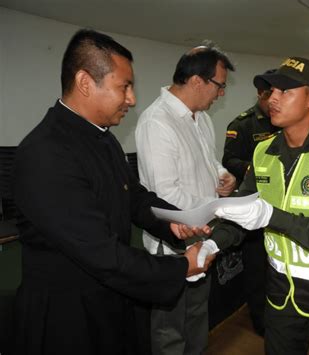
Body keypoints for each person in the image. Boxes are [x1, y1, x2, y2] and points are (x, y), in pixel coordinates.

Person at [12, 29, 214, 355]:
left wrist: (172, 222)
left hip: (109, 301)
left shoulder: (103, 138)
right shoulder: (46, 153)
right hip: (67, 320)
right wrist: (180, 268)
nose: (132, 99)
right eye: (125, 86)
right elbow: (101, 254)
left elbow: (132, 196)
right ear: (85, 83)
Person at [214, 57, 309, 354]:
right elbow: (242, 209)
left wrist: (269, 215)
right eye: (271, 90)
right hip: (280, 293)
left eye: (285, 91)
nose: (272, 97)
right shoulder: (263, 151)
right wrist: (211, 245)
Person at [135, 43, 236, 355]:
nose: (221, 94)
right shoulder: (157, 122)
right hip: (174, 246)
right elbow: (167, 195)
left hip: (202, 236)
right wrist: (218, 207)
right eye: (219, 86)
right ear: (197, 81)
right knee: (170, 330)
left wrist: (223, 175)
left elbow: (207, 162)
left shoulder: (200, 118)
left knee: (196, 318)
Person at [222, 68, 278, 336]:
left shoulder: (285, 123)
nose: (274, 102)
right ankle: (260, 319)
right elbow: (228, 160)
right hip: (254, 206)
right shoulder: (243, 124)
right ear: (260, 95)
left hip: (280, 209)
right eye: (270, 96)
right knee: (257, 269)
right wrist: (256, 169)